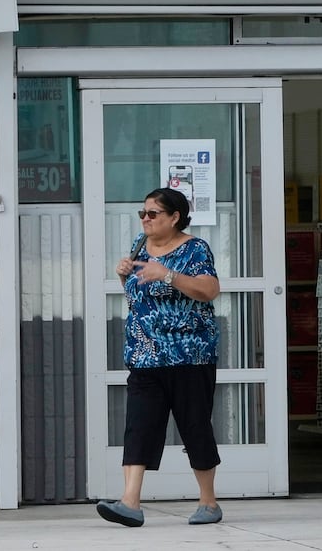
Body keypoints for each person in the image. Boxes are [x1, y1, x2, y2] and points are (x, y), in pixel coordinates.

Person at [96, 187, 223, 527]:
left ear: (174, 217)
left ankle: (209, 503)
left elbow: (209, 290)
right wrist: (125, 276)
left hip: (189, 355)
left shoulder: (194, 249)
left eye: (153, 214)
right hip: (144, 355)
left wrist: (166, 274)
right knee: (139, 426)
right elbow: (143, 299)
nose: (146, 219)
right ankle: (130, 503)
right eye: (143, 213)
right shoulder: (140, 244)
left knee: (195, 426)